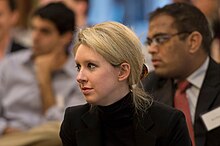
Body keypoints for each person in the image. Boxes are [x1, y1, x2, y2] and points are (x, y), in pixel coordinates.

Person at [59, 21, 191, 146]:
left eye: (91, 66)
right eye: (78, 67)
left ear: (123, 71)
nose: (79, 77)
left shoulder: (168, 122)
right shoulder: (74, 121)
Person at [0, 2, 85, 146]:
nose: (35, 37)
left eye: (45, 31)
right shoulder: (10, 65)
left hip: (51, 140)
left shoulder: (79, 75)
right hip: (9, 136)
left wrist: (44, 79)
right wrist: (6, 129)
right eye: (33, 29)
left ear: (65, 37)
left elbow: (65, 129)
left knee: (56, 133)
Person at [142, 3, 220, 146]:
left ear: (193, 42)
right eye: (149, 41)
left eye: (160, 39)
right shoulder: (146, 89)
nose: (151, 49)